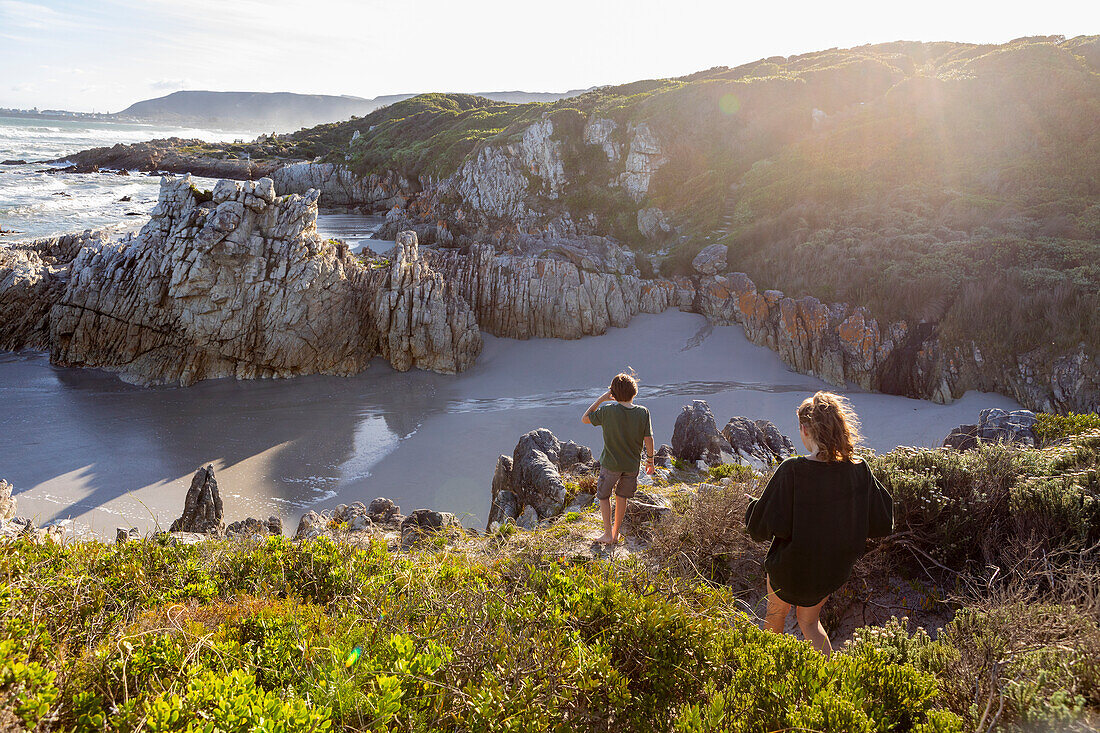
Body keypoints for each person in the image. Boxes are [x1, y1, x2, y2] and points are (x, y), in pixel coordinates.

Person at [744, 391, 893, 654]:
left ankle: (764, 674)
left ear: (804, 429)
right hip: (832, 569)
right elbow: (882, 522)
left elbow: (759, 529)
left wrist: (755, 506)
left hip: (791, 567)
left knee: (776, 615)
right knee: (809, 622)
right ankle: (831, 676)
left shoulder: (792, 469)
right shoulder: (860, 470)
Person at [582, 372, 655, 545]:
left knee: (604, 496)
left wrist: (602, 398)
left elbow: (585, 419)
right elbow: (649, 439)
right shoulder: (643, 412)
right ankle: (615, 533)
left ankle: (607, 534)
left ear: (613, 394)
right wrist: (650, 461)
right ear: (634, 392)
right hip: (631, 465)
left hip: (610, 465)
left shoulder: (607, 411)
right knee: (622, 497)